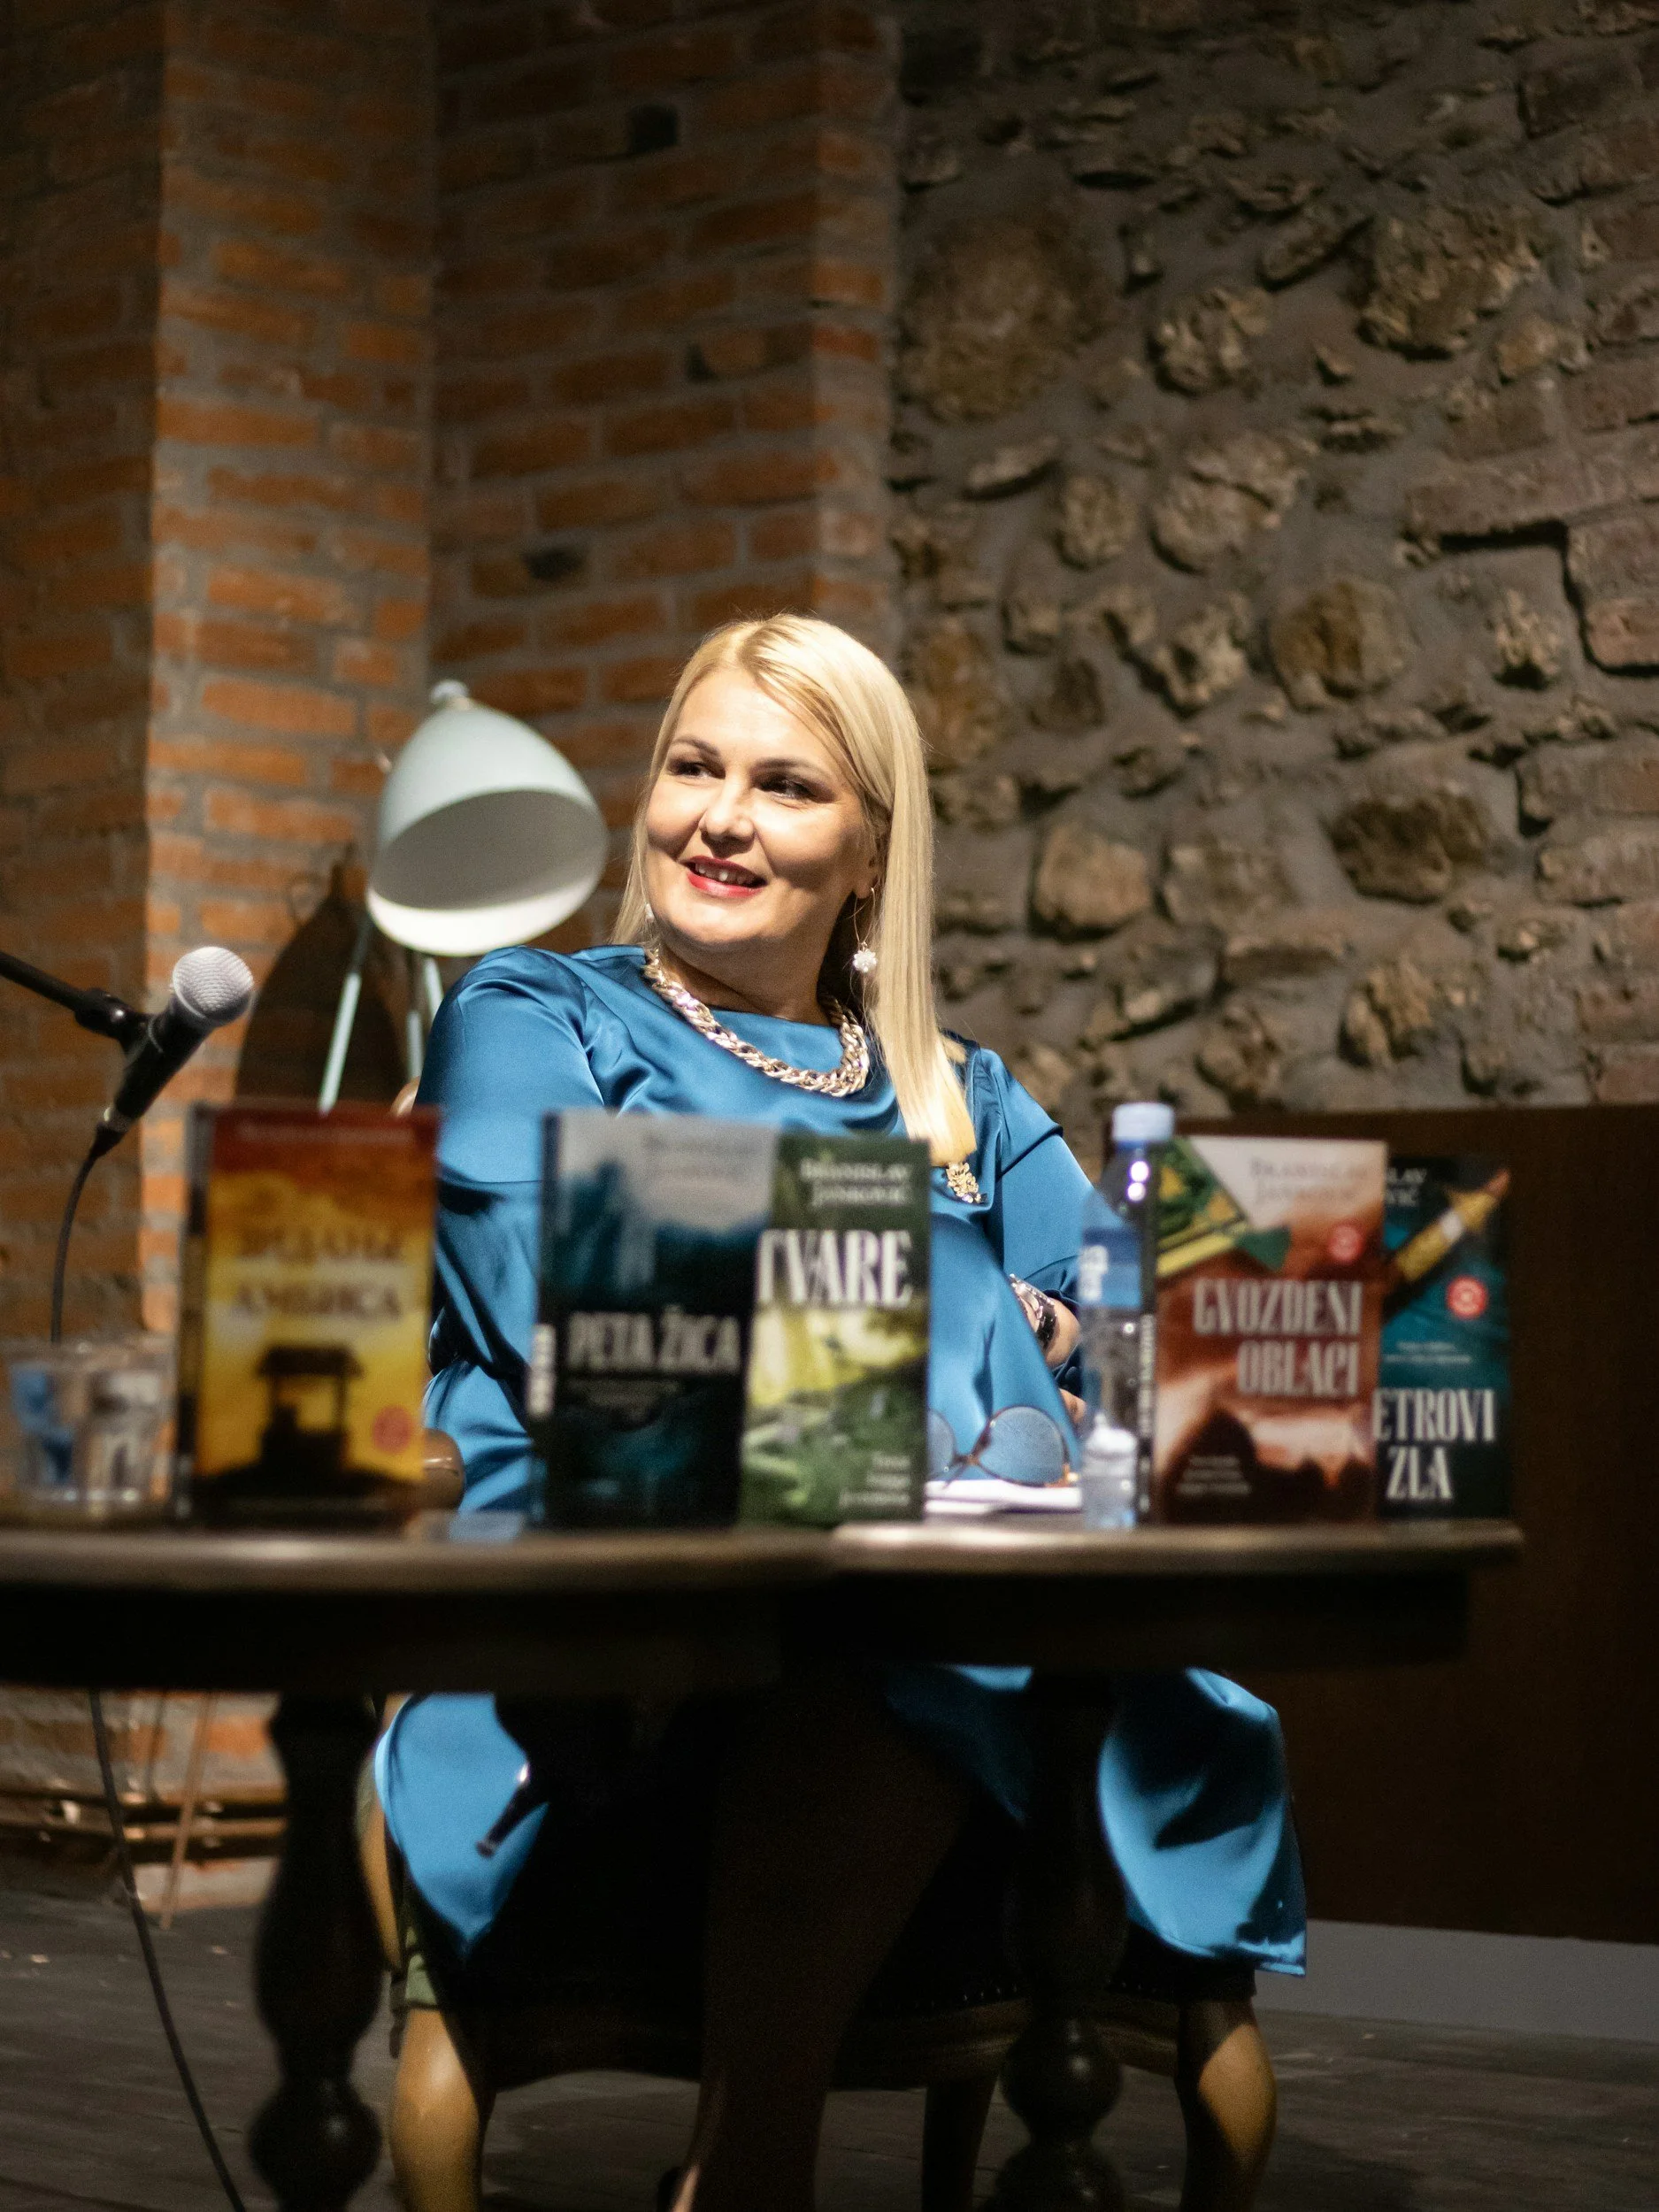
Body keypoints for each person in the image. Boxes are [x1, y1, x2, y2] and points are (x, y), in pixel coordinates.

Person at [373, 615, 1302, 2212]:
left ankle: (741, 2175)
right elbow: (565, 1295)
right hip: (625, 1582)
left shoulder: (962, 1091)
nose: (720, 817)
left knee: (897, 1614)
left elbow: (1137, 1326)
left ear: (871, 851)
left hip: (923, 1578)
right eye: (692, 766)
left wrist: (975, 1321)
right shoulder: (538, 1017)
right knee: (881, 1620)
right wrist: (960, 1305)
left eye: (786, 785)